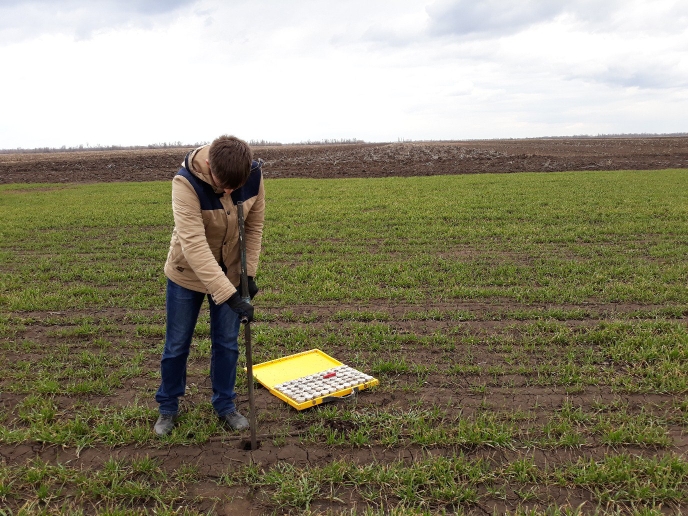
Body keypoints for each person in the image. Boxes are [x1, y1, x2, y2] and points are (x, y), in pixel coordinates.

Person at [154, 135, 265, 436]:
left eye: (235, 187)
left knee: (227, 344)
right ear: (208, 166)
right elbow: (194, 245)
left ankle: (225, 405)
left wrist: (248, 274)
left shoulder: (252, 175)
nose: (229, 191)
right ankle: (168, 407)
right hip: (187, 273)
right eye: (224, 186)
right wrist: (229, 295)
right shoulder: (185, 182)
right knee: (177, 345)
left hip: (230, 269)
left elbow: (254, 226)